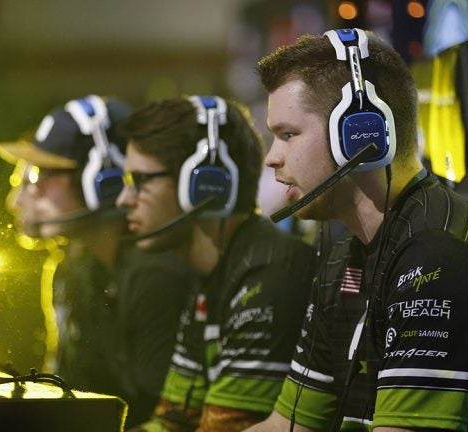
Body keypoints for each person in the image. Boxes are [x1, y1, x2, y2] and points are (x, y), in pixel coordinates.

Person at [245, 29, 468, 431]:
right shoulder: (340, 247)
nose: (272, 158)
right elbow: (286, 425)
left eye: (287, 134)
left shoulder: (439, 254)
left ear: (358, 135)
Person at [115, 95, 317, 431]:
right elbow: (171, 422)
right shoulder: (212, 277)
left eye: (139, 181)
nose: (123, 200)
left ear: (204, 184)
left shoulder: (269, 274)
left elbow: (226, 427)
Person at [0, 95, 195, 427]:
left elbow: (173, 419)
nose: (15, 200)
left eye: (37, 177)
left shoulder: (157, 275)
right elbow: (64, 390)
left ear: (104, 179)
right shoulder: (74, 268)